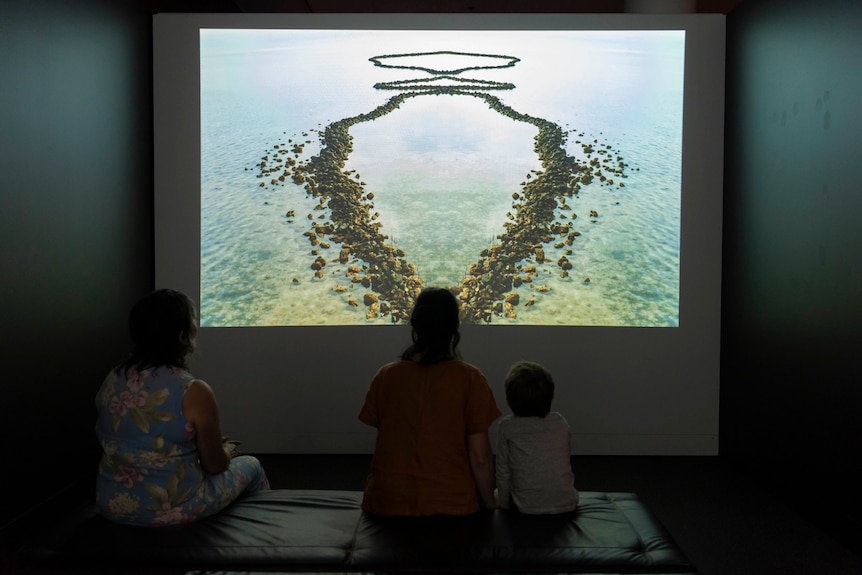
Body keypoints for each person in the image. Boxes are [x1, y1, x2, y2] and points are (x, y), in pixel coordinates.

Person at [94, 289, 269, 526]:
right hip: (171, 509)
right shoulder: (193, 390)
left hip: (111, 504)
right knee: (253, 466)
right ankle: (260, 534)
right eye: (194, 321)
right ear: (182, 336)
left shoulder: (112, 378)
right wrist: (226, 450)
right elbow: (215, 466)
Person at [358, 287, 501, 516]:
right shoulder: (470, 378)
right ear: (454, 328)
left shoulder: (386, 376)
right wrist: (490, 505)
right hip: (451, 504)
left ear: (415, 325)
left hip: (386, 503)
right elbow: (481, 458)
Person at [495, 360, 579, 514]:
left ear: (508, 402)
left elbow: (503, 471)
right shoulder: (560, 422)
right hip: (567, 505)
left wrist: (503, 505)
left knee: (495, 492)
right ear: (552, 396)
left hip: (525, 508)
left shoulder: (506, 426)